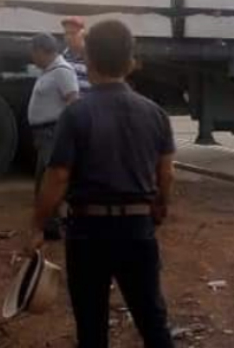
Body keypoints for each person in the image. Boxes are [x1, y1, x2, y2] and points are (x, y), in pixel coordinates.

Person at [30, 20, 176, 348]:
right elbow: (166, 173)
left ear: (89, 61)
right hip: (137, 229)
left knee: (91, 324)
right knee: (152, 319)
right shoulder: (155, 113)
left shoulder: (76, 115)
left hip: (88, 232)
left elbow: (57, 177)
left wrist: (38, 224)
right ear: (130, 62)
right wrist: (159, 207)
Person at [27, 32, 80, 239]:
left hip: (52, 132)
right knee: (44, 179)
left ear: (42, 51)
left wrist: (63, 132)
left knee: (52, 179)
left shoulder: (62, 71)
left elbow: (73, 102)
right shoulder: (49, 70)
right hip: (44, 134)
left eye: (34, 52)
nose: (32, 57)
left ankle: (55, 224)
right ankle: (51, 223)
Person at [61, 16, 91, 94]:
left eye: (73, 33)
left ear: (83, 34)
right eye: (66, 33)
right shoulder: (61, 59)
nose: (69, 37)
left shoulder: (92, 57)